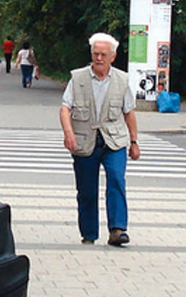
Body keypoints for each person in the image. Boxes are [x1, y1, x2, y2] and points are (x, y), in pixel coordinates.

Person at [60, 33, 140, 246]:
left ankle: (117, 229)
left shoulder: (122, 80)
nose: (99, 58)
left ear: (112, 57)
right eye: (95, 54)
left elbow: (129, 112)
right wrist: (68, 133)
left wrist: (134, 142)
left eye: (103, 54)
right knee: (86, 190)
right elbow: (65, 107)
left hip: (114, 141)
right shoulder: (78, 78)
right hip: (85, 141)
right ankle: (89, 233)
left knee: (116, 179)